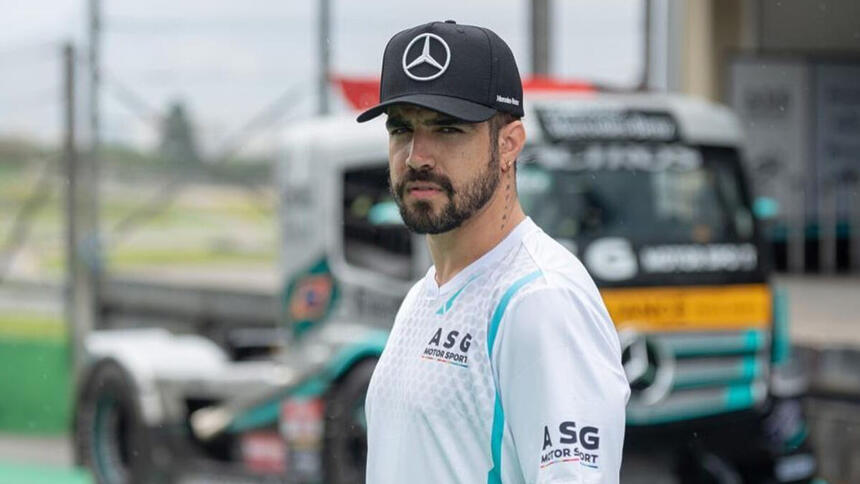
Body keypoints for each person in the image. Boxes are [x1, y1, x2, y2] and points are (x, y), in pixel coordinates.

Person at [357, 20, 629, 484]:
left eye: (448, 129)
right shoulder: (425, 295)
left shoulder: (540, 301)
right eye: (401, 129)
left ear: (509, 144)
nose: (417, 156)